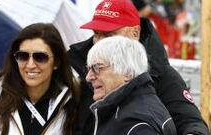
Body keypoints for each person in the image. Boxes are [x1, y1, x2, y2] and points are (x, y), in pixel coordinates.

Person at [67, 0, 209, 135]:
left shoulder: (161, 75)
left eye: (109, 35)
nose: (99, 42)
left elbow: (191, 123)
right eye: (96, 34)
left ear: (135, 33)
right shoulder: (79, 67)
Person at [0, 23, 79, 135]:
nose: (30, 65)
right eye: (23, 56)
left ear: (56, 62)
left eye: (40, 57)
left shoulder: (71, 101)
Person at [86, 36, 177, 135]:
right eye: (89, 69)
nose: (89, 77)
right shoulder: (132, 110)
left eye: (97, 67)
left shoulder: (136, 123)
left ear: (127, 72)